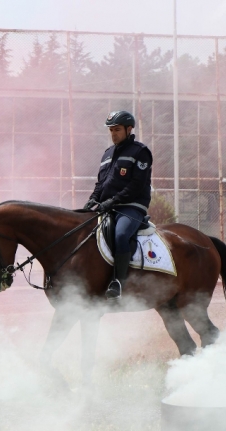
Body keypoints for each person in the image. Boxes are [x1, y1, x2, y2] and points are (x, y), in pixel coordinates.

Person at [83, 110, 152, 300]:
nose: (114, 134)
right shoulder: (107, 154)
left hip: (131, 207)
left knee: (121, 235)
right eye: (111, 130)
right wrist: (92, 200)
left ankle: (119, 283)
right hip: (107, 206)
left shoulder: (140, 152)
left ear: (129, 129)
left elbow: (136, 185)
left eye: (118, 130)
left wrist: (112, 201)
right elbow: (101, 184)